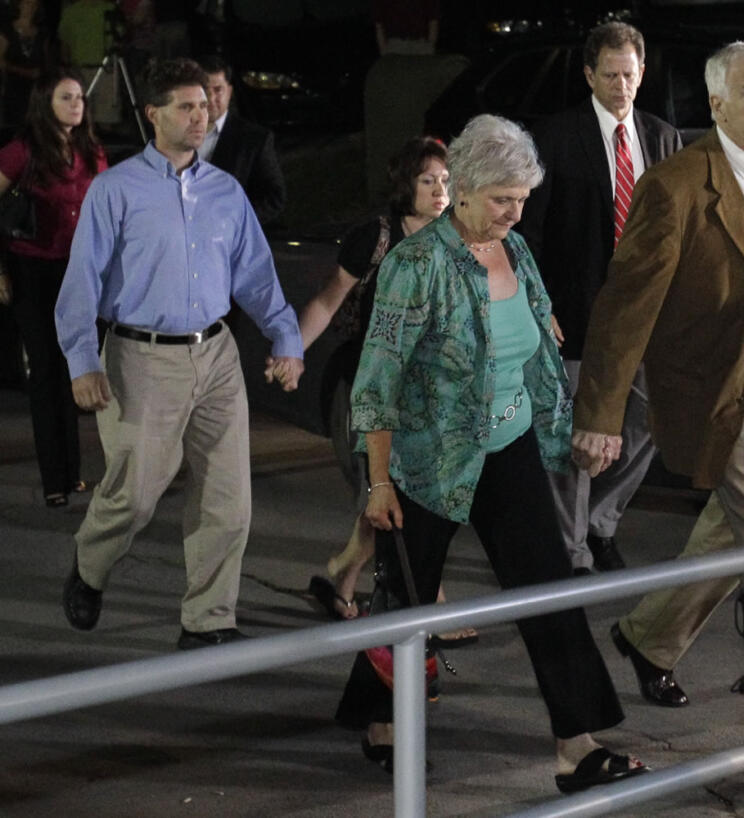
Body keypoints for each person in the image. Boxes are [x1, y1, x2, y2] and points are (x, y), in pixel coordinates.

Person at [334, 114, 647, 792]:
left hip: (505, 447)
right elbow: (377, 380)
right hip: (426, 461)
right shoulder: (414, 266)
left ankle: (577, 744)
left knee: (550, 593)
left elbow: (540, 348)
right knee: (407, 603)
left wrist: (565, 441)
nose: (515, 210)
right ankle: (381, 719)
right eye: (503, 197)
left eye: (523, 198)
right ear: (466, 189)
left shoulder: (518, 251)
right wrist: (379, 482)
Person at [570, 41, 744, 742]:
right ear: (715, 104)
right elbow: (625, 305)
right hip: (724, 379)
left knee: (736, 525)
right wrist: (601, 414)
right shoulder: (677, 186)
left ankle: (648, 637)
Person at [55, 57, 304, 650]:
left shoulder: (225, 190)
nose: (202, 115)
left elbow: (256, 274)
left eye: (205, 105)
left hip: (215, 355)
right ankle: (90, 567)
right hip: (140, 359)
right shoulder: (115, 189)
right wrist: (81, 361)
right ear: (153, 114)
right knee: (135, 494)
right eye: (187, 107)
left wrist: (286, 337)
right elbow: (82, 280)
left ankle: (207, 620)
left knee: (228, 499)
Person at [518, 21, 682, 576]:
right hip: (575, 310)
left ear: (642, 73)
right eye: (609, 75)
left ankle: (599, 523)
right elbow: (531, 231)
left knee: (648, 424)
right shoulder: (556, 136)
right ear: (589, 75)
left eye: (629, 75)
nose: (621, 86)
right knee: (572, 441)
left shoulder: (661, 136)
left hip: (644, 317)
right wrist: (539, 306)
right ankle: (572, 551)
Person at [294, 136, 471, 643]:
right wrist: (292, 351)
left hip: (435, 390)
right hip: (378, 386)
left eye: (445, 180)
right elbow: (329, 302)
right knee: (401, 495)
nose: (439, 190)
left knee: (403, 497)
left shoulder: (458, 235)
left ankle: (343, 574)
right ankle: (427, 605)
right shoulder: (376, 237)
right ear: (404, 187)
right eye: (427, 181)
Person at [0, 67, 106, 506]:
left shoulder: (91, 152)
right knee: (44, 370)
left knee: (75, 368)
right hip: (32, 271)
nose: (77, 104)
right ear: (46, 103)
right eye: (66, 97)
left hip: (78, 271)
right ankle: (53, 481)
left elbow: (107, 210)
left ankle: (74, 472)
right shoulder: (21, 151)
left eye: (80, 97)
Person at [196, 55, 286, 225]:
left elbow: (273, 197)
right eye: (204, 90)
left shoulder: (254, 140)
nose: (210, 98)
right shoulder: (177, 134)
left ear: (229, 92)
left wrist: (234, 222)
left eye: (218, 90)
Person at [0, 0, 52, 125]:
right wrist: (24, 72)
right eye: (27, 3)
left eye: (34, 5)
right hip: (13, 87)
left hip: (36, 88)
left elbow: (46, 60)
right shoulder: (6, 31)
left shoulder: (42, 34)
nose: (30, 7)